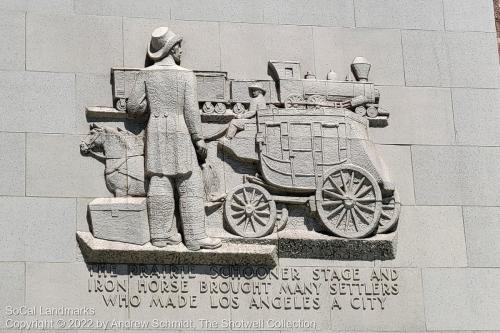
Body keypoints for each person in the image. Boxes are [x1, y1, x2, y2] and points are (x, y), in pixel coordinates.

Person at [127, 27, 221, 251]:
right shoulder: (185, 75)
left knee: (159, 181)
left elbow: (132, 107)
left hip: (156, 130)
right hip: (180, 130)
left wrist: (150, 107)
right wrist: (198, 139)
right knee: (190, 184)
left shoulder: (146, 74)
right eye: (178, 46)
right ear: (171, 49)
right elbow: (191, 110)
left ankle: (160, 237)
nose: (181, 50)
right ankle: (195, 237)